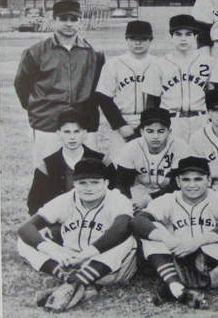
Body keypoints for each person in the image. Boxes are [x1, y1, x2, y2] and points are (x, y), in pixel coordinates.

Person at [17, 159, 137, 311]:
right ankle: (73, 280)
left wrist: (89, 252)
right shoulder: (65, 200)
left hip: (107, 267)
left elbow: (122, 227)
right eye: (82, 183)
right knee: (24, 241)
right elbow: (26, 227)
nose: (89, 188)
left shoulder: (118, 200)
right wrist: (51, 250)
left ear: (106, 183)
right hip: (71, 261)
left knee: (127, 240)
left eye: (95, 182)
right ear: (74, 184)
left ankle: (73, 282)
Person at [131, 156, 218, 308]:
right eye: (186, 180)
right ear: (177, 181)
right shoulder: (168, 199)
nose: (192, 185)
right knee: (153, 230)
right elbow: (138, 220)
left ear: (208, 181)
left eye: (198, 179)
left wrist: (197, 242)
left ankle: (173, 285)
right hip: (179, 259)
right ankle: (177, 288)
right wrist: (167, 239)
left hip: (215, 268)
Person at [15, 0, 105, 165]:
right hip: (47, 124)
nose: (69, 24)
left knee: (85, 173)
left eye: (74, 19)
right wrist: (39, 108)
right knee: (46, 176)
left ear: (80, 22)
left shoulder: (94, 53)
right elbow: (22, 85)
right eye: (63, 19)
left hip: (82, 124)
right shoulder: (35, 52)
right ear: (54, 20)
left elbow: (98, 89)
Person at [142, 14, 214, 143]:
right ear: (171, 37)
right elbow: (152, 100)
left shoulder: (209, 62)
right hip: (171, 120)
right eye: (178, 34)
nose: (183, 39)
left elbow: (213, 95)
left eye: (188, 34)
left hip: (201, 119)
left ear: (195, 37)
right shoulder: (159, 64)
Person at [27, 109, 109, 216]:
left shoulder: (102, 161)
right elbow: (34, 204)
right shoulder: (47, 165)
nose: (72, 137)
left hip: (95, 220)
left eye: (76, 131)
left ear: (84, 134)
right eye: (67, 132)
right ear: (58, 134)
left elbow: (114, 197)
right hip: (59, 221)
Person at [112, 107, 192, 213]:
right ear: (142, 131)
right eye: (150, 131)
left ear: (169, 131)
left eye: (161, 131)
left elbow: (178, 184)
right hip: (141, 192)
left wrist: (150, 199)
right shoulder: (131, 148)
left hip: (172, 195)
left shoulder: (181, 148)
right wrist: (127, 203)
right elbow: (122, 183)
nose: (155, 136)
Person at [95, 20, 156, 158]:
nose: (138, 43)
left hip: (151, 123)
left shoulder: (159, 64)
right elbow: (104, 99)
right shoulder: (113, 65)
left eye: (143, 39)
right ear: (127, 39)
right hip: (122, 121)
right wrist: (120, 125)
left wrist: (147, 124)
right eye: (133, 39)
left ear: (150, 40)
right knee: (120, 165)